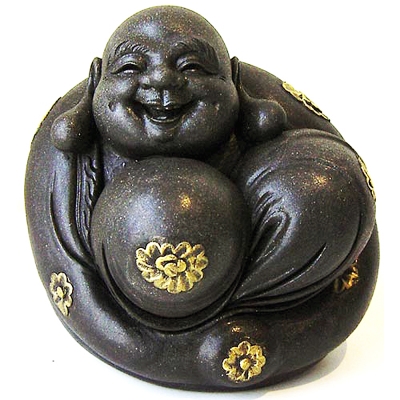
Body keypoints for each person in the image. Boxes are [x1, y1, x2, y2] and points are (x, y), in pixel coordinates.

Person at [26, 6, 378, 389]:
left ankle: (248, 302)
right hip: (136, 311)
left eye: (192, 66)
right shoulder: (68, 156)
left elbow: (355, 239)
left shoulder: (265, 115)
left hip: (269, 276)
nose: (161, 79)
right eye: (129, 67)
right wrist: (164, 350)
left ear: (234, 79)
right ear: (97, 79)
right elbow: (75, 288)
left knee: (328, 182)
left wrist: (275, 340)